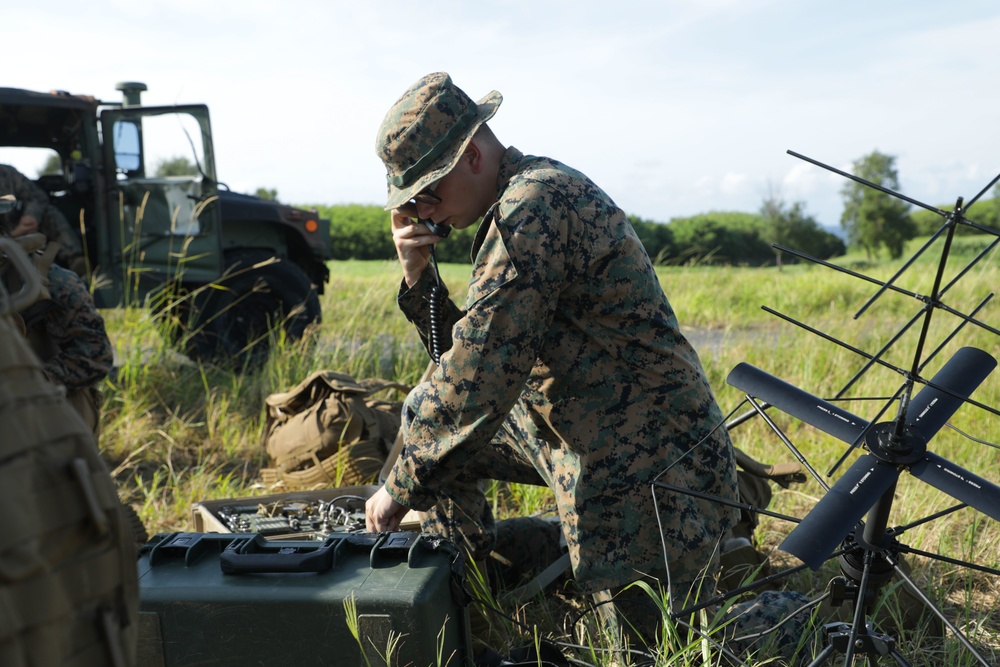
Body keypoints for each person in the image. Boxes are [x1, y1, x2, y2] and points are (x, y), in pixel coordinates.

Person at [365, 72, 740, 652]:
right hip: (570, 427)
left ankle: (764, 598)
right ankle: (459, 603)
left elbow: (480, 373)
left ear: (469, 158)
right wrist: (419, 274)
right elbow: (459, 365)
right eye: (409, 201)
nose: (421, 211)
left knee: (654, 651)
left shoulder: (531, 208)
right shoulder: (505, 200)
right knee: (432, 440)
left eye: (426, 194)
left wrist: (401, 484)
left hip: (644, 455)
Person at [0, 163, 87, 276]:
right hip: (4, 242)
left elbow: (37, 196)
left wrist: (30, 216)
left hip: (18, 233)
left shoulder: (6, 174)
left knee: (49, 212)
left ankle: (75, 260)